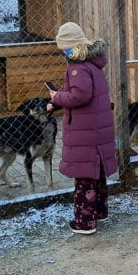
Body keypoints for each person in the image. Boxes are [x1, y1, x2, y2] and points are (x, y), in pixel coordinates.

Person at [47, 22, 118, 235]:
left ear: (70, 46)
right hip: (96, 128)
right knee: (97, 172)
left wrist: (57, 96)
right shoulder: (93, 64)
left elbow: (80, 96)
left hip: (85, 131)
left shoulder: (77, 67)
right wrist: (59, 101)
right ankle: (99, 212)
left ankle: (84, 222)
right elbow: (84, 94)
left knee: (84, 175)